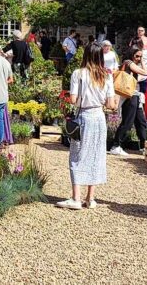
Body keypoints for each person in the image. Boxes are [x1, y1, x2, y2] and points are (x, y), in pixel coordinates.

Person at [57, 42, 116, 209]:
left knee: (77, 155)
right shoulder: (107, 76)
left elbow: (73, 100)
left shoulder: (78, 74)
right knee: (96, 155)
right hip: (99, 117)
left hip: (84, 116)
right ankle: (90, 198)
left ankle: (76, 198)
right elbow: (111, 104)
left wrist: (70, 97)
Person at [110, 49, 147, 157]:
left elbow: (146, 74)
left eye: (141, 57)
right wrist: (142, 64)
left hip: (135, 94)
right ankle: (116, 145)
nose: (139, 59)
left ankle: (143, 145)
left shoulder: (134, 63)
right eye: (137, 56)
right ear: (131, 55)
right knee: (128, 121)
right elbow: (145, 73)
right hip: (129, 95)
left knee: (141, 121)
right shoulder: (128, 62)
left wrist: (141, 62)